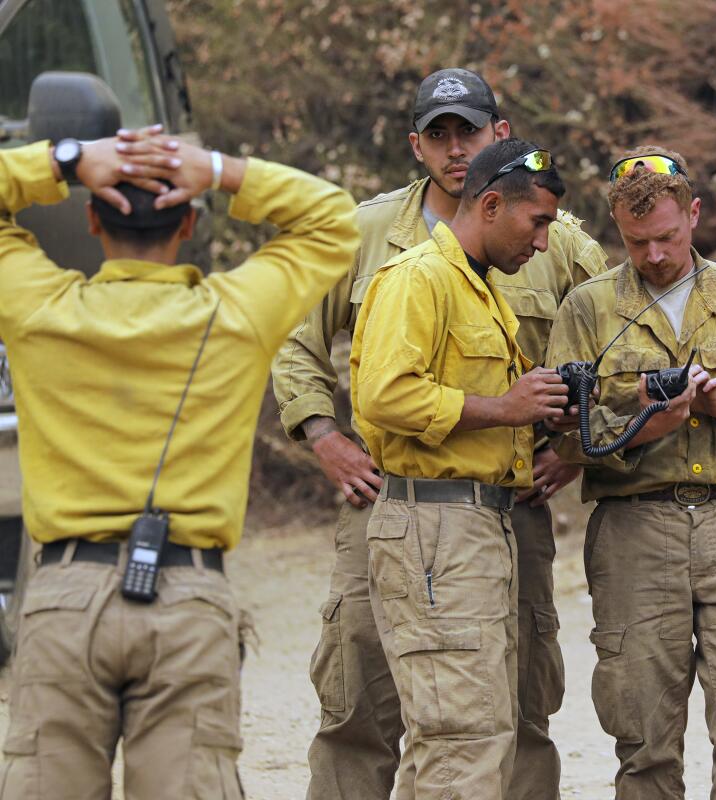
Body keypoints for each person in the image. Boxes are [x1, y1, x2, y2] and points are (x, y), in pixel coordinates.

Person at [270, 68, 606, 800]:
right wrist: (325, 435)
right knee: (360, 699)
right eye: (439, 135)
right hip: (392, 500)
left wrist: (571, 450)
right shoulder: (371, 237)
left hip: (509, 511)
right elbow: (297, 342)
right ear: (415, 145)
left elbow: (611, 345)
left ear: (500, 135)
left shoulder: (554, 236)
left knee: (508, 705)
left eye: (470, 132)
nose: (455, 149)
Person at [0, 128, 358, 798]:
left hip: (64, 597)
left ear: (89, 216)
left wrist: (67, 161)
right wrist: (217, 169)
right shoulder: (236, 314)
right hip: (189, 598)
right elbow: (332, 217)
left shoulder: (36, 308)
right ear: (190, 221)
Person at [544, 146, 716, 799]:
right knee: (645, 739)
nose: (655, 255)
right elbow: (558, 436)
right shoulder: (587, 308)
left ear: (694, 214)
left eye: (666, 236)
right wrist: (637, 425)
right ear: (616, 229)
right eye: (637, 243)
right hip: (634, 527)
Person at [350, 138, 569, 799]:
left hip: (475, 528)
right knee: (462, 739)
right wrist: (503, 408)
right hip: (436, 527)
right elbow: (383, 394)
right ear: (493, 204)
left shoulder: (478, 288)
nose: (542, 243)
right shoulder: (422, 278)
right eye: (538, 224)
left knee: (457, 738)